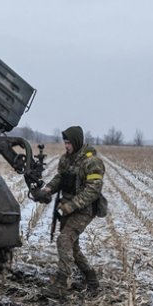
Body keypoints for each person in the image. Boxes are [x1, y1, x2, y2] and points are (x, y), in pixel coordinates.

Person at [29, 125, 105, 295]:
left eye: (69, 143)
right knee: (72, 247)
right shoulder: (67, 159)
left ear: (77, 142)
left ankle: (62, 284)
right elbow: (60, 179)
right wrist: (47, 190)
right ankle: (92, 279)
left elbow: (93, 190)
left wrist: (71, 206)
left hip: (84, 209)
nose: (66, 146)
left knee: (63, 240)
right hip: (67, 208)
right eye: (65, 142)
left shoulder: (92, 162)